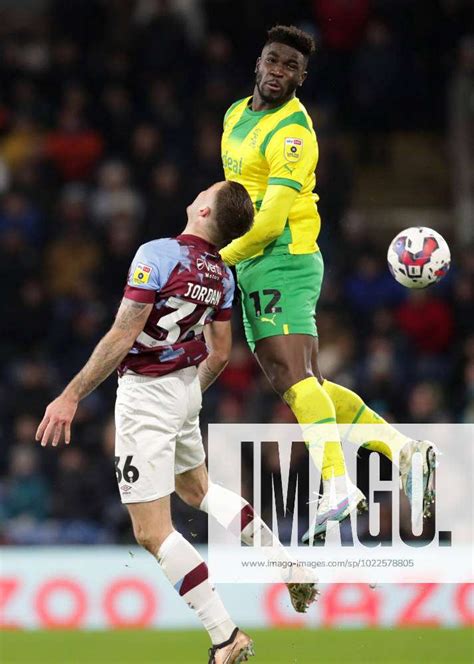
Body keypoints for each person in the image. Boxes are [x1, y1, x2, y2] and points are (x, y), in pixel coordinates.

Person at [36, 180, 316, 664]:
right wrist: (184, 397)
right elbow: (222, 353)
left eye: (205, 189)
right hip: (185, 388)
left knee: (151, 531)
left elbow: (124, 334)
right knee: (199, 491)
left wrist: (70, 395)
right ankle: (286, 562)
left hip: (147, 395)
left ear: (204, 208)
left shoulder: (158, 254)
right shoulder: (223, 276)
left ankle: (226, 635)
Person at [219, 25, 436, 542]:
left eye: (290, 67)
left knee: (293, 378)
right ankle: (403, 450)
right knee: (296, 380)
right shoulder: (233, 115)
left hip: (283, 257)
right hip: (255, 263)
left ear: (302, 77)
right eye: (273, 61)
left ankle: (337, 485)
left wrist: (209, 257)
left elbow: (269, 222)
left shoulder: (294, 134)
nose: (278, 72)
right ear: (259, 62)